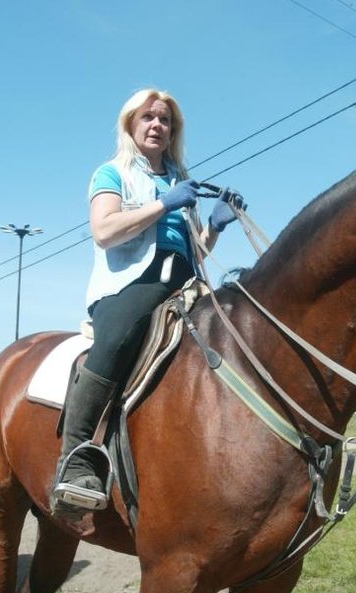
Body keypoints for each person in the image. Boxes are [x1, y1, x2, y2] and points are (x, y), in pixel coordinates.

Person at [51, 89, 245, 516]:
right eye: (149, 118)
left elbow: (194, 251)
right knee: (118, 337)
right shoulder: (111, 173)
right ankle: (75, 459)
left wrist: (213, 227)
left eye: (165, 120)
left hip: (185, 282)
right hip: (128, 286)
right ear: (130, 125)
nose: (158, 125)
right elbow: (104, 231)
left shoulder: (179, 179)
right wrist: (163, 204)